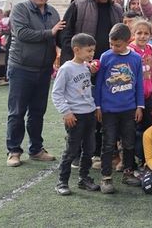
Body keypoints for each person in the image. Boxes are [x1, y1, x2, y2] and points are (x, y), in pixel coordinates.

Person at [6, 0, 65, 167]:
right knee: (17, 112)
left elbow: (59, 37)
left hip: (43, 70)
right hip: (21, 69)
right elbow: (22, 34)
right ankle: (14, 150)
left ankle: (36, 149)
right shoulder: (20, 9)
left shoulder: (52, 12)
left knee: (38, 112)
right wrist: (51, 32)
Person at [94, 23, 144, 193]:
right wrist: (98, 106)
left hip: (129, 109)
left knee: (129, 143)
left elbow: (139, 84)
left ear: (128, 41)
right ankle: (106, 177)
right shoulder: (105, 57)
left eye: (117, 45)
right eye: (111, 44)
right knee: (108, 144)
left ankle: (128, 173)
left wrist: (139, 106)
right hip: (108, 111)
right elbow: (99, 84)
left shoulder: (136, 58)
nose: (114, 48)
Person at [52, 33, 100, 195]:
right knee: (71, 150)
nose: (91, 54)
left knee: (89, 149)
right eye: (88, 51)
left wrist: (92, 72)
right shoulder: (66, 68)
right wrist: (66, 112)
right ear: (76, 50)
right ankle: (62, 182)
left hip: (89, 114)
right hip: (75, 117)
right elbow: (56, 93)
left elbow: (84, 87)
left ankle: (84, 178)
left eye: (93, 51)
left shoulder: (86, 66)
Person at [60, 0, 123, 65]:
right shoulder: (78, 5)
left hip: (109, 63)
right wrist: (75, 60)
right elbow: (65, 35)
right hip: (82, 64)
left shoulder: (117, 9)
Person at [129, 20, 152, 130]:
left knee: (150, 126)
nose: (142, 36)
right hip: (134, 97)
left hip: (148, 95)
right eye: (139, 33)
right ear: (133, 34)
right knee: (134, 127)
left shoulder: (151, 49)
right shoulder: (129, 51)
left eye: (146, 33)